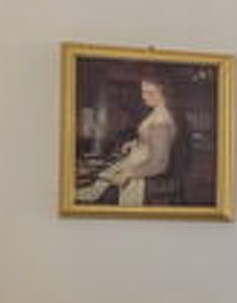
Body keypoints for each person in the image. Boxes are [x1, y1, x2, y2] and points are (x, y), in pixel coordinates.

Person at [76, 76, 181, 206]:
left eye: (150, 93)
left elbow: (159, 164)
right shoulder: (157, 112)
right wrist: (136, 143)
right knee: (94, 187)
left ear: (164, 92)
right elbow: (150, 139)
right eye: (143, 91)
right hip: (135, 167)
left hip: (144, 178)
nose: (144, 96)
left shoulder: (161, 122)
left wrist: (128, 173)